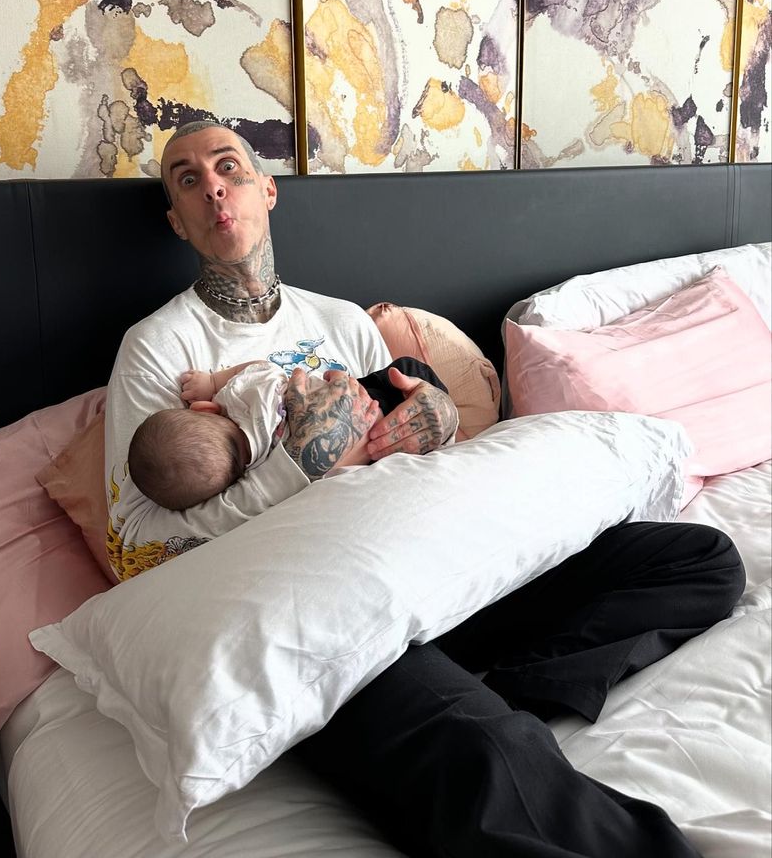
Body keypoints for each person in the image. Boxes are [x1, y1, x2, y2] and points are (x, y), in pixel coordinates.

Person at [104, 120, 745, 858]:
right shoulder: (160, 347)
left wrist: (435, 423)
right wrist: (301, 469)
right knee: (485, 755)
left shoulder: (342, 322)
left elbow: (408, 433)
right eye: (187, 179)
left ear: (267, 190)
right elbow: (136, 554)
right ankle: (471, 723)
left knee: (698, 562)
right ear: (175, 219)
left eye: (229, 167)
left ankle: (504, 684)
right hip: (322, 608)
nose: (213, 185)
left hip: (431, 564)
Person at [127, 356, 447, 511]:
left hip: (371, 446)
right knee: (409, 369)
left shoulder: (254, 473)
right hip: (363, 403)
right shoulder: (240, 394)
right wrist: (212, 382)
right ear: (204, 409)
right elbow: (260, 367)